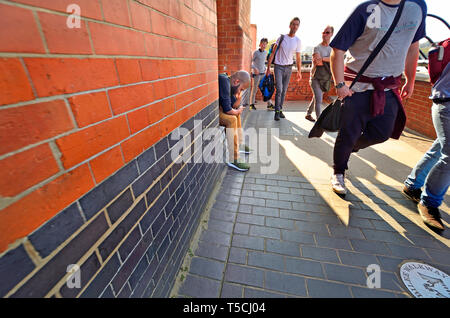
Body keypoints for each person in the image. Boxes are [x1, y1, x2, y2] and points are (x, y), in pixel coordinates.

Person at [329, 0, 426, 195]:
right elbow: (337, 50)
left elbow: (413, 45)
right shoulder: (365, 10)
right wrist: (340, 85)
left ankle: (349, 147)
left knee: (382, 133)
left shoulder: (417, 7)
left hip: (388, 86)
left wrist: (411, 79)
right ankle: (339, 171)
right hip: (357, 87)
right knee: (348, 133)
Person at [402, 63, 449, 231]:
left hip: (444, 99)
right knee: (449, 154)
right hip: (447, 102)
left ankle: (413, 184)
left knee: (440, 148)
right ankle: (429, 202)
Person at [266, 17, 303, 121]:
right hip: (278, 67)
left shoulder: (298, 41)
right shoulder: (281, 38)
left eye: (297, 25)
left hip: (289, 68)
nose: (295, 26)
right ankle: (277, 112)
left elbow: (298, 57)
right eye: (293, 24)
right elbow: (273, 53)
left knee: (284, 91)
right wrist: (268, 68)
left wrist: (299, 71)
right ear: (290, 25)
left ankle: (280, 109)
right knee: (280, 89)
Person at [218, 71, 252, 172]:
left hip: (220, 110)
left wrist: (238, 97)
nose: (241, 91)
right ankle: (234, 159)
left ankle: (239, 143)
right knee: (231, 119)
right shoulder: (224, 81)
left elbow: (234, 106)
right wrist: (237, 111)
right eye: (241, 89)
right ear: (237, 81)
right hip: (214, 112)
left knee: (236, 115)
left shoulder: (230, 84)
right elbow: (228, 110)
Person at [305, 26, 334, 122]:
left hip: (326, 78)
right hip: (315, 77)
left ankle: (308, 114)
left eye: (327, 32)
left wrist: (324, 58)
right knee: (319, 100)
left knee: (316, 97)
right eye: (324, 32)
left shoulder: (333, 48)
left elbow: (337, 60)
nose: (325, 34)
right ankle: (319, 122)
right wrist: (330, 59)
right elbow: (318, 62)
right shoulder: (317, 48)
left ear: (331, 34)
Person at [249, 38, 269, 110]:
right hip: (256, 75)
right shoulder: (256, 53)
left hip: (263, 74)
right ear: (260, 44)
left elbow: (263, 62)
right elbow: (250, 62)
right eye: (263, 43)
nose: (264, 45)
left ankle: (269, 104)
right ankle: (251, 104)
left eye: (265, 44)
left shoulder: (265, 52)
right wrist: (255, 68)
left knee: (265, 88)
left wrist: (265, 68)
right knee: (254, 89)